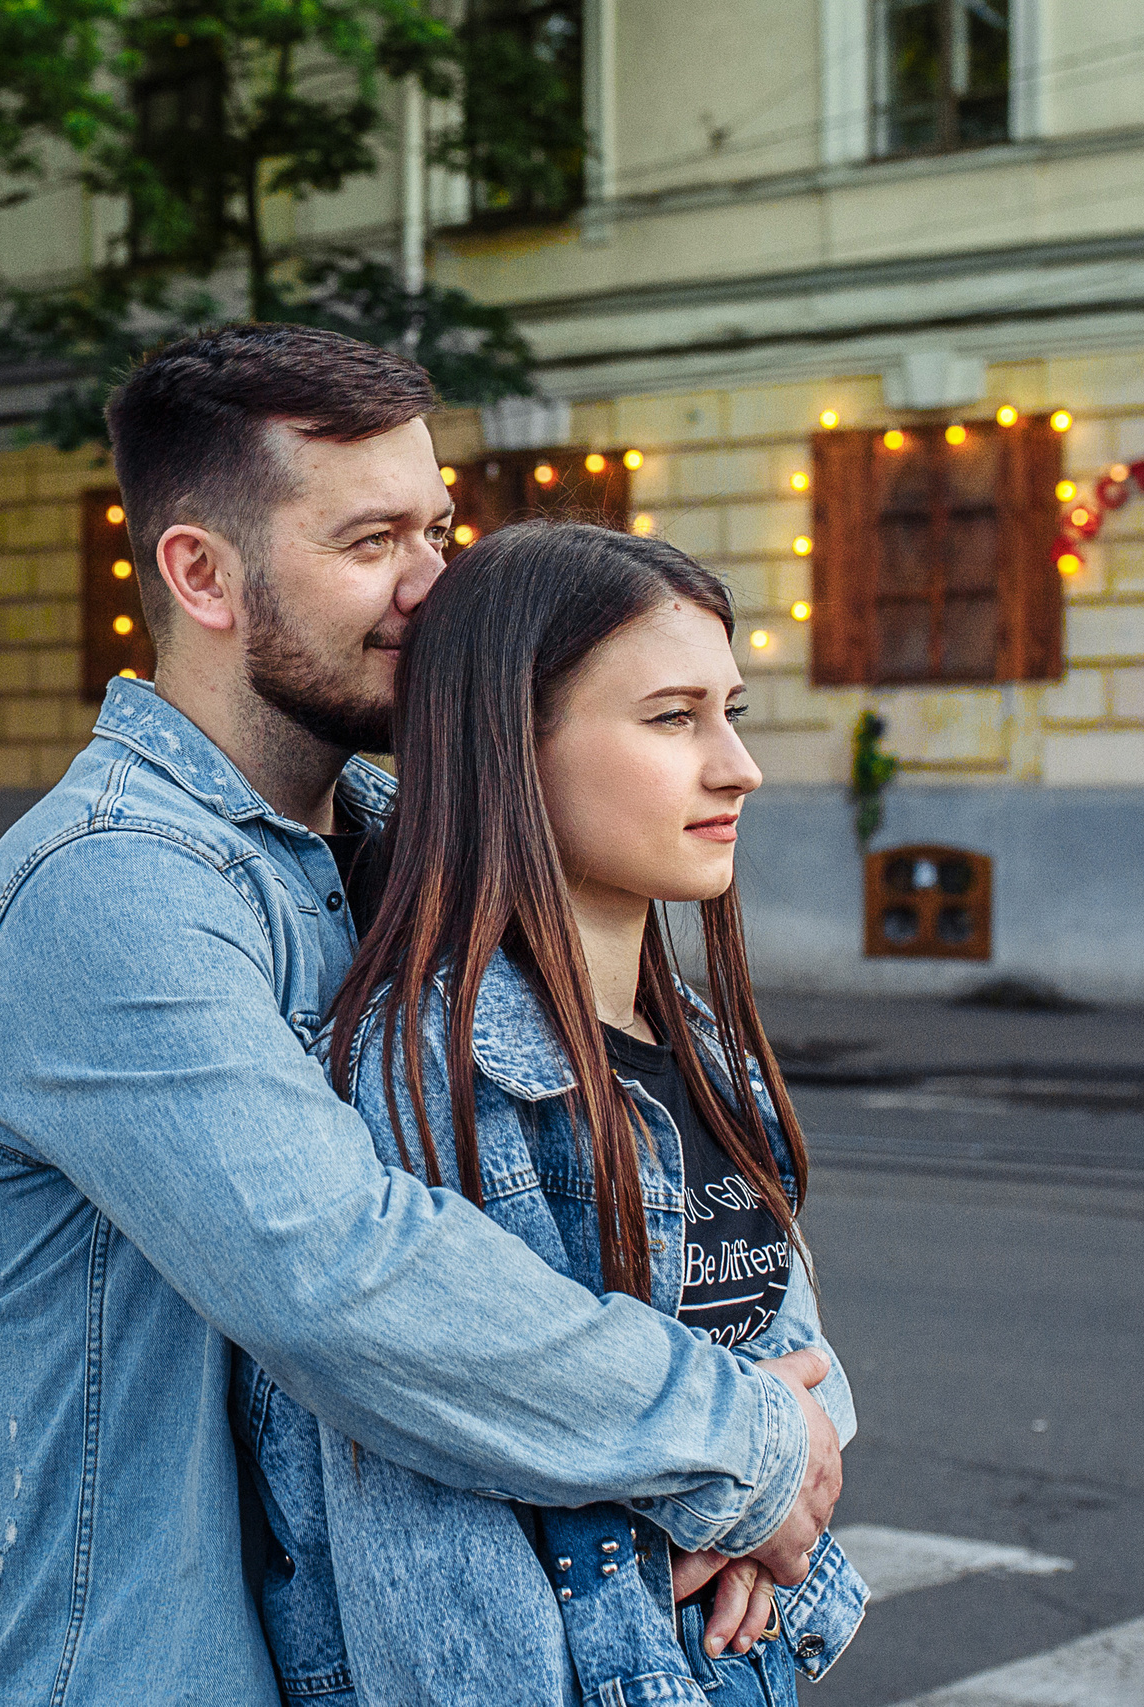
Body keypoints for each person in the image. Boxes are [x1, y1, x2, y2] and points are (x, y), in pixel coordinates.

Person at [0, 326, 841, 1701]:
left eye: (441, 527)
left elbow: (670, 1196)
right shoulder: (109, 886)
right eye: (372, 543)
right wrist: (741, 1447)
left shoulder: (403, 850)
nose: (433, 586)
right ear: (201, 573)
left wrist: (785, 1428)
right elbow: (348, 1274)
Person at [231, 522, 866, 1706]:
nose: (738, 766)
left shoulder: (702, 1048)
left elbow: (801, 1357)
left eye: (731, 712)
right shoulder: (433, 1069)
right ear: (509, 750)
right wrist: (757, 1469)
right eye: (673, 718)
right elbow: (424, 1526)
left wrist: (768, 1498)